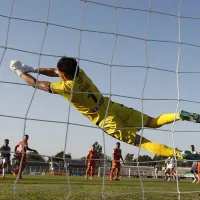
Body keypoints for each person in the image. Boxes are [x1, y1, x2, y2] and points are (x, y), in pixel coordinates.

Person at [9, 58, 200, 159]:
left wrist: (19, 71)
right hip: (114, 107)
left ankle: (179, 154)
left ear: (64, 77)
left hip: (106, 121)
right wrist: (32, 67)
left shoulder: (66, 87)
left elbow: (36, 84)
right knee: (154, 122)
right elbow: (56, 71)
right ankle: (178, 115)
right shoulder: (81, 74)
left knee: (143, 142)